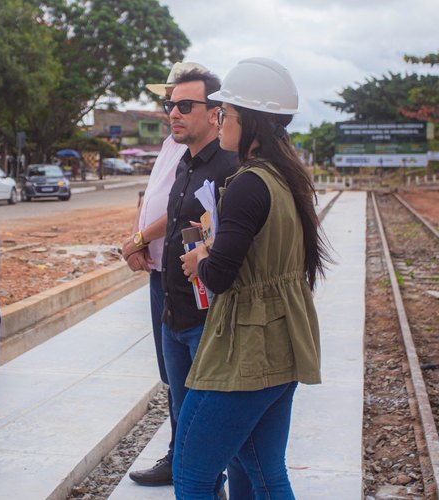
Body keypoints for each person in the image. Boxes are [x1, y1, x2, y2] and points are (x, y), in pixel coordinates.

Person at [176, 57, 330, 498]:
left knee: (192, 475)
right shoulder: (287, 178)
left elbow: (221, 276)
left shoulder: (247, 183)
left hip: (244, 350)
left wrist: (200, 257)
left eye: (227, 114)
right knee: (266, 473)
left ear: (250, 122)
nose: (221, 122)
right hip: (283, 345)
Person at [121, 61, 205, 487]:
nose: (173, 109)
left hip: (188, 274)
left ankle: (194, 466)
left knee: (191, 376)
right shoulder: (173, 144)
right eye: (169, 101)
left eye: (184, 102)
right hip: (163, 272)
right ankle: (182, 458)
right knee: (173, 375)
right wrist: (141, 242)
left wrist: (138, 238)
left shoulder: (200, 149)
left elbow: (185, 212)